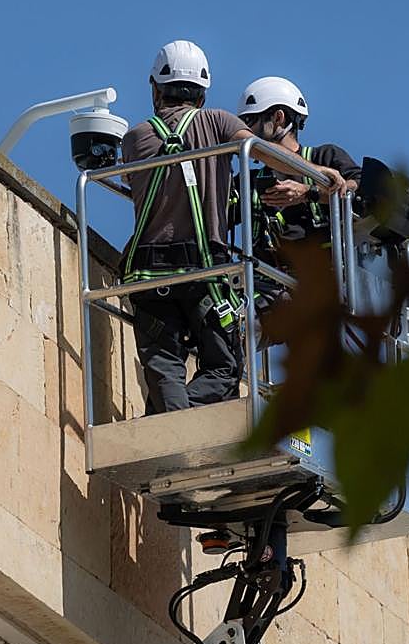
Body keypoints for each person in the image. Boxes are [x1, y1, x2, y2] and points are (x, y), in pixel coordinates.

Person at [122, 42, 347, 414]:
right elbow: (262, 152)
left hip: (147, 273)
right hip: (203, 271)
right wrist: (315, 175)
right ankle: (182, 422)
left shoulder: (134, 139)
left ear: (156, 89)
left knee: (164, 366)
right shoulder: (218, 122)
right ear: (203, 93)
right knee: (224, 368)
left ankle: (170, 420)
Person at [233, 76, 363, 346]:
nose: (245, 132)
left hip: (321, 286)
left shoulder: (324, 159)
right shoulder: (249, 179)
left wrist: (309, 193)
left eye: (250, 122)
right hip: (268, 290)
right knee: (230, 330)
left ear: (278, 118)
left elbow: (356, 191)